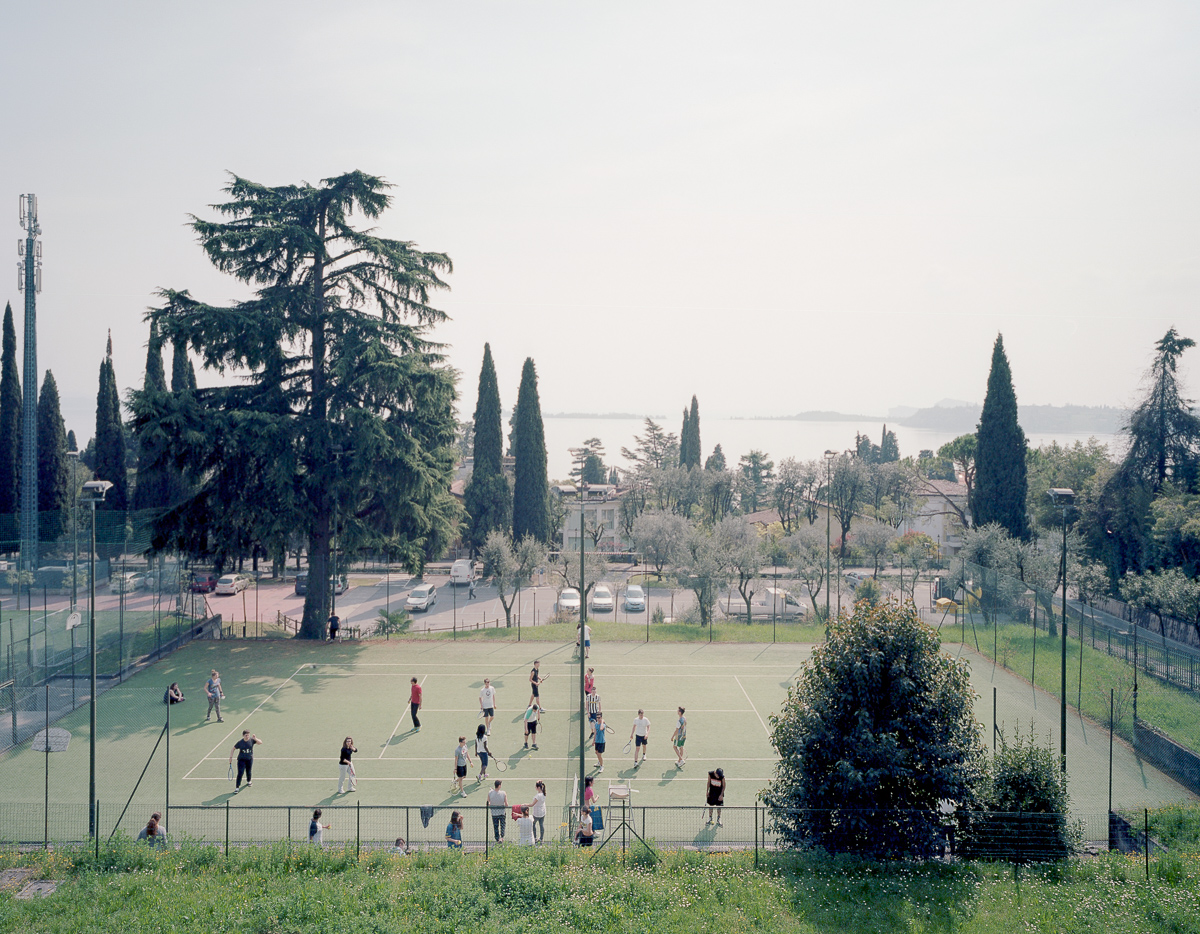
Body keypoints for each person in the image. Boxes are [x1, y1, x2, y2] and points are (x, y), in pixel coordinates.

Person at [487, 779, 508, 843]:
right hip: (502, 813)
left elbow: (488, 803)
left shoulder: (490, 793)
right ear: (499, 786)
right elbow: (507, 805)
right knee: (502, 825)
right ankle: (501, 837)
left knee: (495, 826)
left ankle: (497, 839)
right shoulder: (503, 793)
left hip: (494, 813)